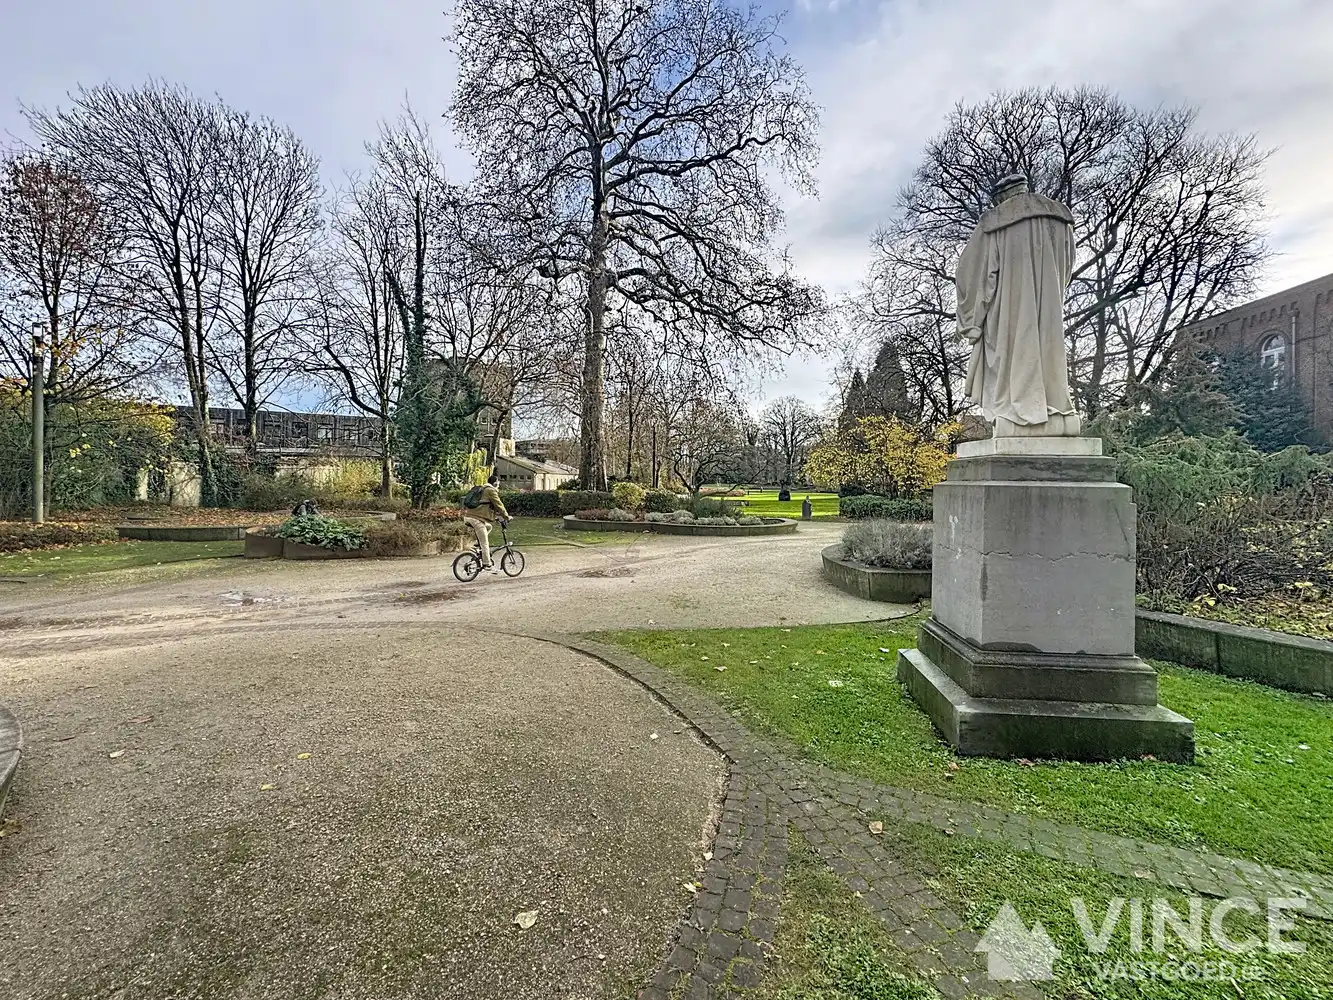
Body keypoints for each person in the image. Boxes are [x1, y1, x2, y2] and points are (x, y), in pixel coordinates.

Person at [956, 173, 1080, 436]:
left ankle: (1016, 412)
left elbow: (971, 274)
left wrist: (972, 322)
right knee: (1049, 352)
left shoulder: (995, 222)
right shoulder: (1060, 220)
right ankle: (1053, 407)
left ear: (1001, 197)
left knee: (1013, 354)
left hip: (1008, 310)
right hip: (1048, 307)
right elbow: (1067, 267)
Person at [461, 473, 511, 573]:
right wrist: (507, 516)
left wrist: (495, 517)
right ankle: (487, 564)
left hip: (469, 517)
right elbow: (499, 505)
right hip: (476, 519)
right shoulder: (490, 490)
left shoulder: (483, 489)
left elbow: (484, 507)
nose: (499, 484)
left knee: (488, 527)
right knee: (485, 543)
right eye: (499, 482)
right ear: (496, 482)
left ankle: (477, 544)